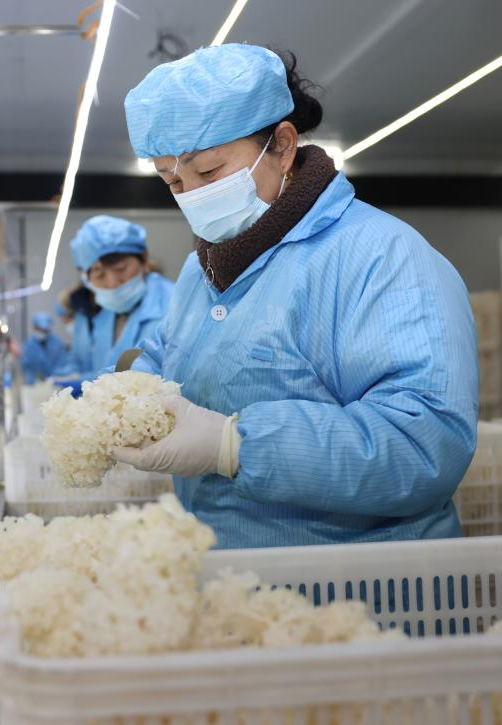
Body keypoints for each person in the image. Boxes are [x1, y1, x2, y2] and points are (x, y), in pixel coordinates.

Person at [114, 45, 477, 549]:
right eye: (172, 180)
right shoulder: (207, 267)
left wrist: (234, 446)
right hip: (232, 575)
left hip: (354, 582)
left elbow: (424, 446)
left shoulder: (381, 256)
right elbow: (170, 352)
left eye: (209, 172)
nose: (191, 194)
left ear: (283, 145)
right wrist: (127, 389)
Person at [69, 215, 174, 377]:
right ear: (86, 278)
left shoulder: (175, 304)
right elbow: (103, 372)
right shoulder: (106, 315)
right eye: (99, 274)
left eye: (121, 268)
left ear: (144, 259)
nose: (112, 283)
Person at [21, 312, 69, 385]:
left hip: (56, 383)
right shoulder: (29, 345)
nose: (42, 332)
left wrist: (55, 379)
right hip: (35, 384)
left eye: (44, 330)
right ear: (34, 327)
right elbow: (27, 367)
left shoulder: (57, 343)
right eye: (40, 329)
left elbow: (62, 364)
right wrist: (32, 383)